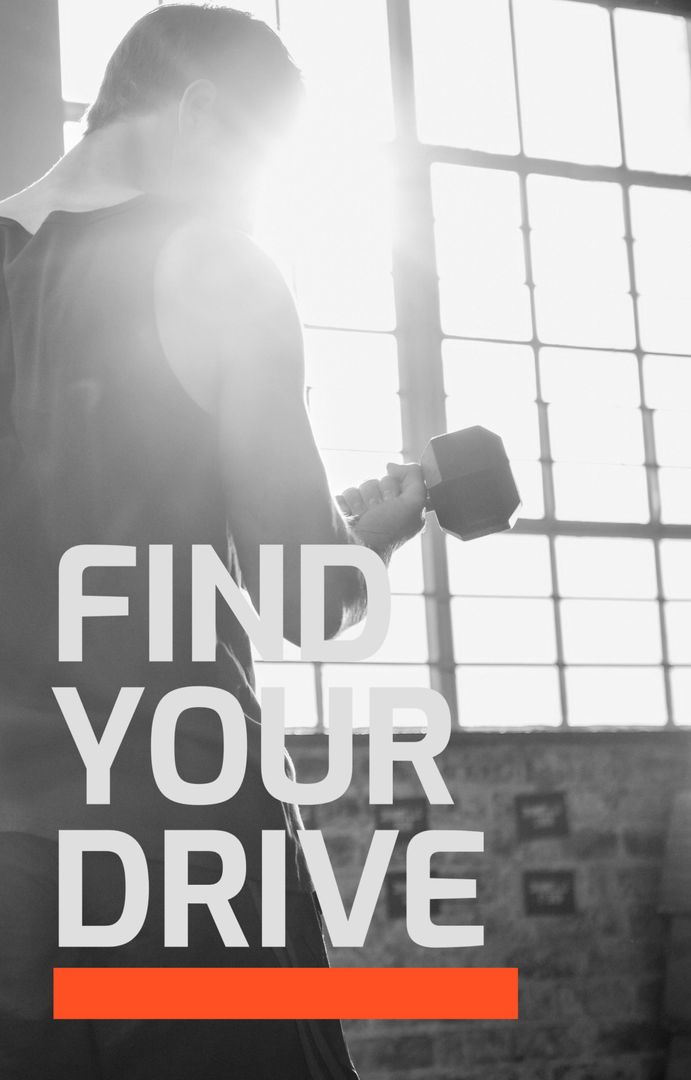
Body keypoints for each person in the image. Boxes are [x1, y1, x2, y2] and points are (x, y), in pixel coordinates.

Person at [0, 6, 426, 1078]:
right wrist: (371, 539)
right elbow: (301, 594)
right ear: (199, 113)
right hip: (172, 831)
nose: (253, 199)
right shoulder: (220, 270)